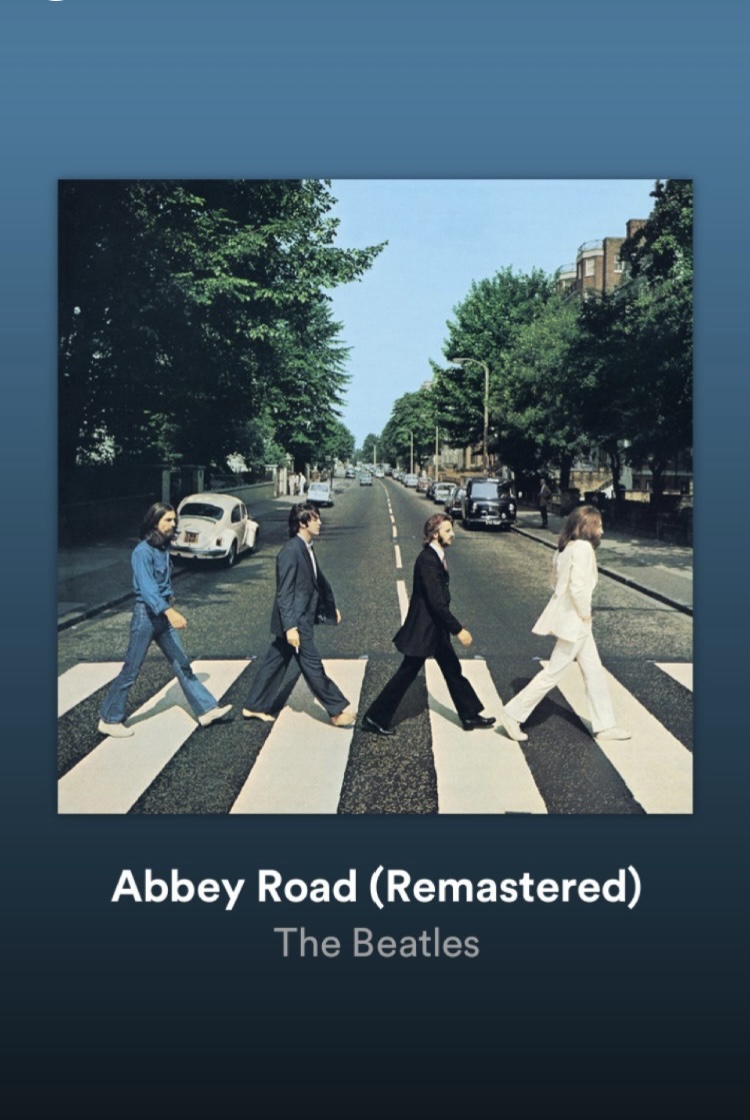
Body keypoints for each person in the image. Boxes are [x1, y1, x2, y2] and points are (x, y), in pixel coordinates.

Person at [98, 503, 232, 738]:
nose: (173, 524)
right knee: (131, 670)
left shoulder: (162, 548)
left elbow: (162, 584)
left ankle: (206, 710)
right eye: (168, 520)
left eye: (174, 520)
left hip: (161, 615)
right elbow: (148, 590)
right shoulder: (142, 552)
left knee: (182, 663)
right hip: (147, 617)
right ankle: (109, 719)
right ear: (154, 522)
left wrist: (169, 601)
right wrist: (169, 611)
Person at [500, 505, 631, 745]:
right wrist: (585, 614)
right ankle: (513, 714)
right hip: (577, 623)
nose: (602, 531)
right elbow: (578, 588)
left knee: (594, 672)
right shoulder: (583, 549)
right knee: (552, 673)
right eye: (599, 526)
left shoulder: (564, 548)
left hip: (574, 622)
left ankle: (605, 726)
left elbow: (555, 583)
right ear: (587, 527)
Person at [362, 513, 495, 736]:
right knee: (406, 673)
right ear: (434, 534)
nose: (452, 534)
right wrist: (458, 629)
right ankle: (374, 718)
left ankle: (469, 714)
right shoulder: (427, 560)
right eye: (447, 531)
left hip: (435, 629)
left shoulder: (436, 557)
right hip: (424, 630)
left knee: (453, 670)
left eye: (451, 530)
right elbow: (436, 603)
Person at [243, 502, 355, 727]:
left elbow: (313, 584)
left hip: (301, 616)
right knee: (313, 666)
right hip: (296, 620)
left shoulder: (306, 547)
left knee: (275, 661)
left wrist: (329, 609)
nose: (320, 522)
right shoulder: (291, 551)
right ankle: (336, 710)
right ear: (303, 523)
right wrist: (291, 627)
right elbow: (284, 593)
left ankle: (254, 705)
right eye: (315, 519)